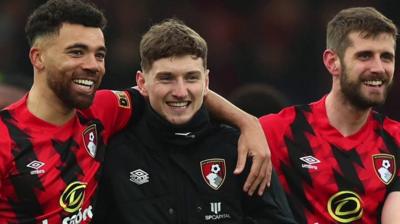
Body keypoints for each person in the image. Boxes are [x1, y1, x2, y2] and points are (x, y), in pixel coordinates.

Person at [0, 0, 271, 223]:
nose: (92, 65)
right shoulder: (5, 138)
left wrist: (247, 123)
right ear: (38, 58)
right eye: (77, 52)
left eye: (99, 54)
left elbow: (176, 91)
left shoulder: (104, 109)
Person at [93, 18, 296, 224]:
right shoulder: (116, 153)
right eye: (166, 78)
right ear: (142, 83)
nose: (180, 92)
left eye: (191, 78)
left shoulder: (239, 149)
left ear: (206, 82)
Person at [259, 7, 400, 223]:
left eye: (386, 57)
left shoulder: (396, 140)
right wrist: (245, 123)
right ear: (332, 62)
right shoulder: (279, 132)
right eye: (365, 56)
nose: (378, 68)